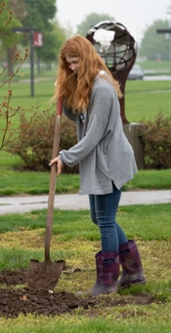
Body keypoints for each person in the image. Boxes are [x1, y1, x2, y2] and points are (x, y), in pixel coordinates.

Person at [49, 36, 146, 296]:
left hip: (109, 162)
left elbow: (92, 135)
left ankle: (107, 282)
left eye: (75, 62)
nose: (72, 68)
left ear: (87, 57)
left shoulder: (102, 88)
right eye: (68, 64)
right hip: (101, 161)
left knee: (104, 220)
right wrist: (65, 94)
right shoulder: (91, 83)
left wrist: (66, 157)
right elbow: (80, 116)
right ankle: (134, 272)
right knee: (100, 217)